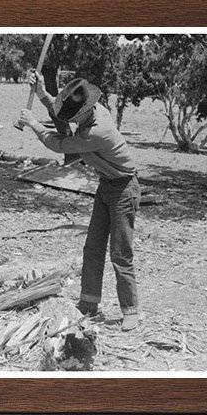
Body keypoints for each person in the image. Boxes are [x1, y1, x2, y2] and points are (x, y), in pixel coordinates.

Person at [18, 72, 141, 331]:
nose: (72, 119)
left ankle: (131, 310)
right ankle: (88, 303)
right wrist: (41, 91)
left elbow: (59, 144)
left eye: (75, 116)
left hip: (124, 190)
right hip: (106, 186)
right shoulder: (91, 111)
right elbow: (61, 111)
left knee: (120, 254)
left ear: (86, 112)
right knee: (93, 248)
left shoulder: (99, 131)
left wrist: (33, 123)